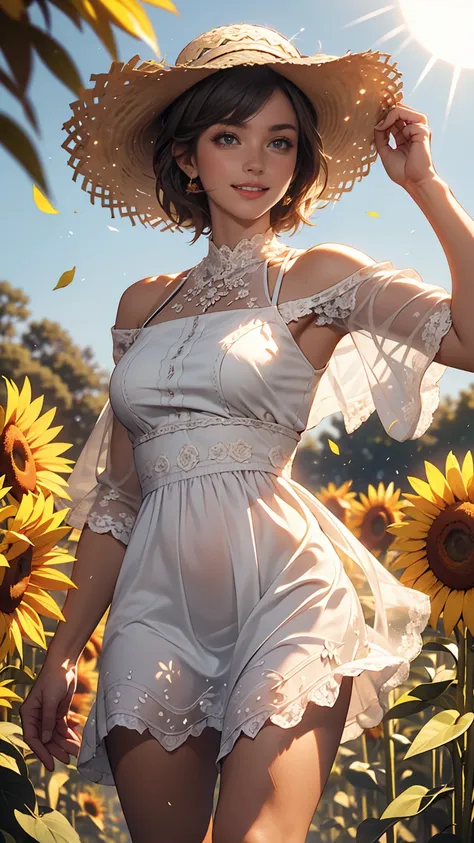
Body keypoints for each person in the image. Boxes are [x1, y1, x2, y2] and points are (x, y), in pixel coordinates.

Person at [19, 22, 474, 843]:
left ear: (300, 159)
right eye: (230, 137)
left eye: (280, 140)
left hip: (286, 595)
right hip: (154, 612)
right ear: (188, 157)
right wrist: (63, 650)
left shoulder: (317, 278)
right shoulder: (139, 306)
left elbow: (472, 341)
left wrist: (427, 187)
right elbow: (119, 500)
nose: (258, 162)